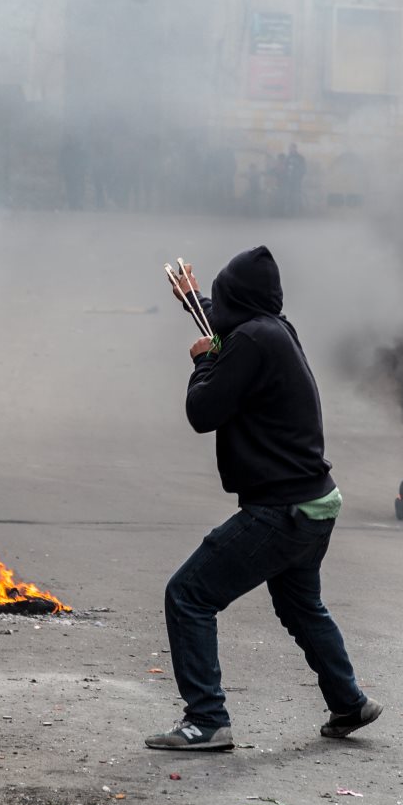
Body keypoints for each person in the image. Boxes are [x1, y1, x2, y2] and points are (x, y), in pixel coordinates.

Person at [145, 246, 381, 751]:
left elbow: (202, 411)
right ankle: (349, 702)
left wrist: (203, 363)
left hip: (280, 511)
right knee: (301, 606)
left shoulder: (249, 341)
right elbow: (230, 322)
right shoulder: (275, 328)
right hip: (316, 502)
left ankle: (205, 720)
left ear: (236, 298)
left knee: (188, 595)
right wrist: (192, 298)